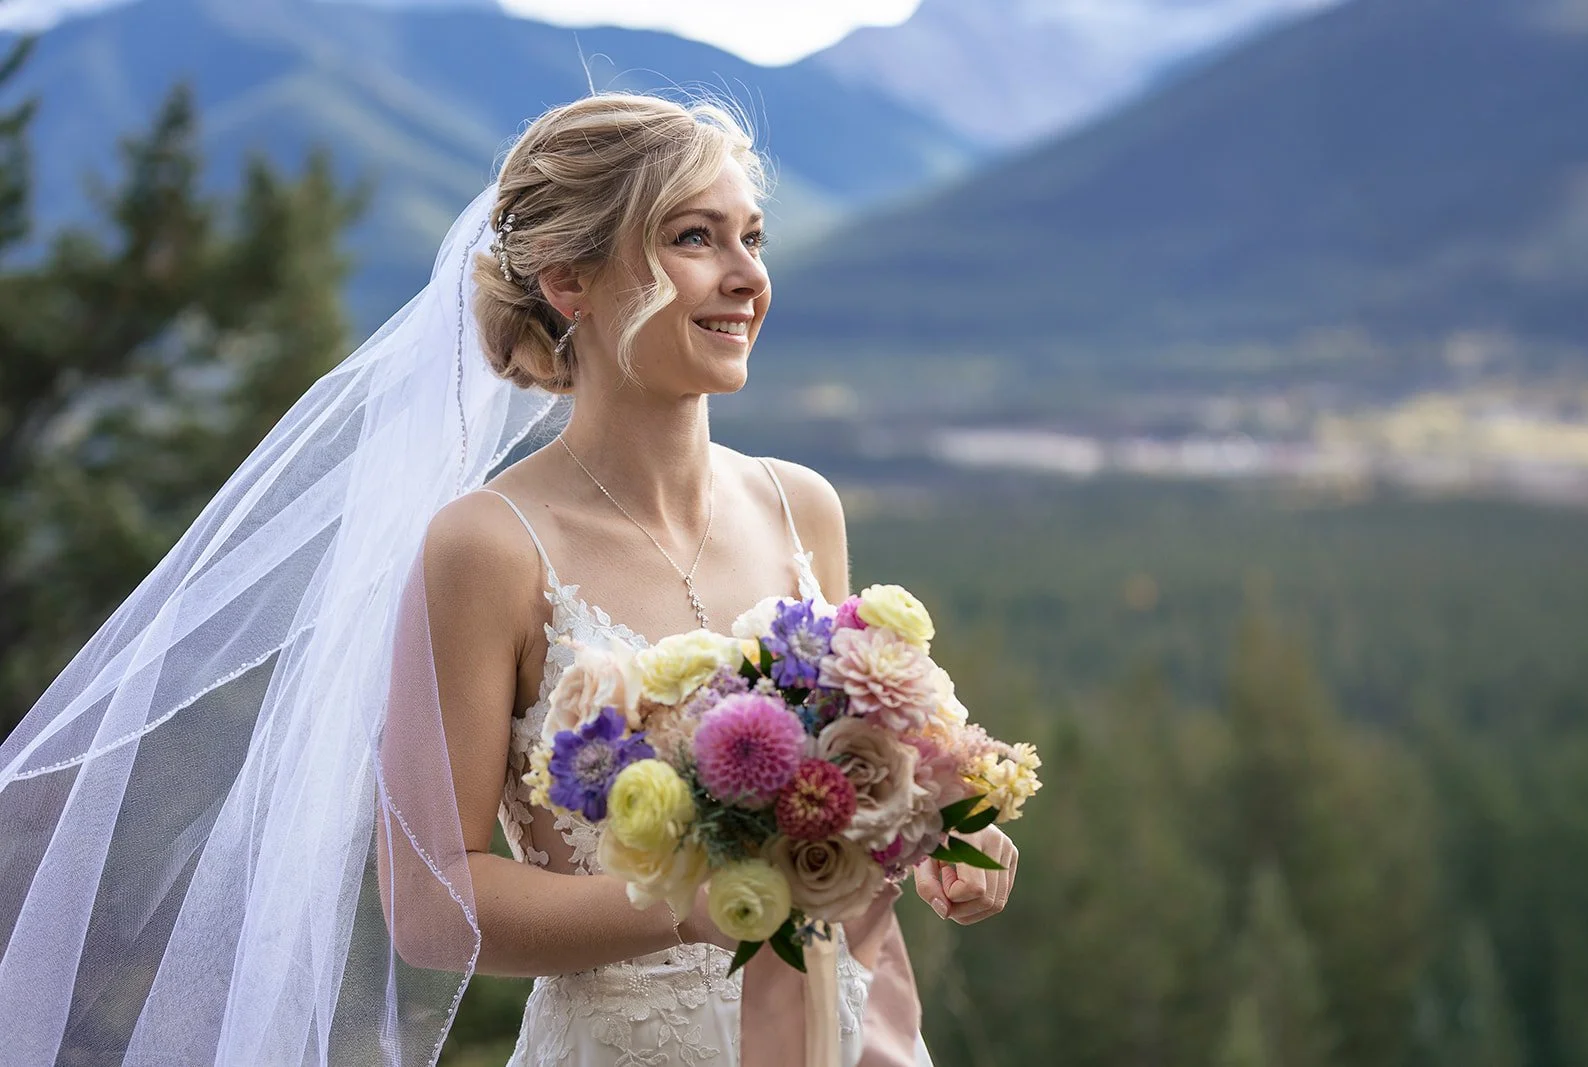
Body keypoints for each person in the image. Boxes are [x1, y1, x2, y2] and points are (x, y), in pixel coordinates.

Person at [0, 91, 1016, 1066]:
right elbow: (432, 902)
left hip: (847, 1036)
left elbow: (838, 793)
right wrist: (686, 900)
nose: (745, 274)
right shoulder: (489, 545)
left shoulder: (803, 507)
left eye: (751, 236)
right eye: (693, 238)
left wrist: (924, 839)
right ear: (568, 279)